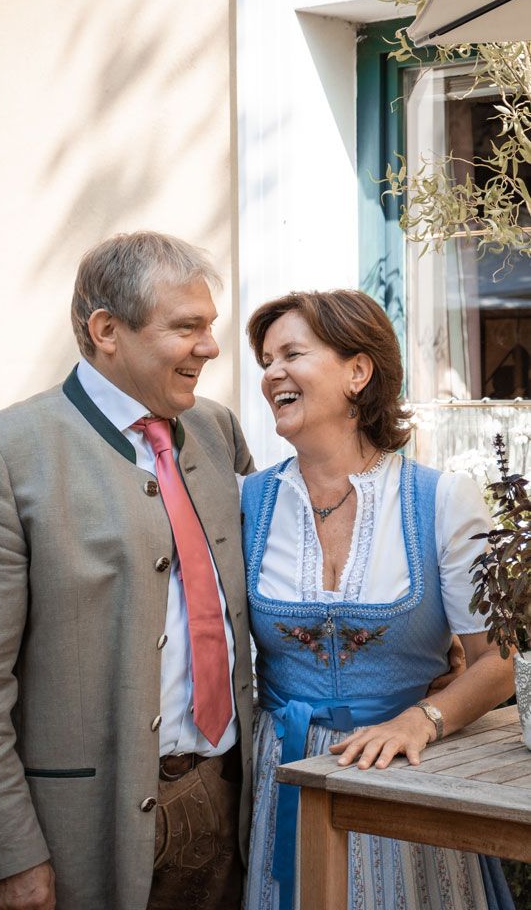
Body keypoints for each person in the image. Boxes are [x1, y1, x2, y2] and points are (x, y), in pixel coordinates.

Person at [0, 231, 255, 910]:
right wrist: (7, 856)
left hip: (230, 808)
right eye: (186, 327)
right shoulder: (0, 455)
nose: (210, 348)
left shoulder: (216, 431)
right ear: (106, 330)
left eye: (209, 326)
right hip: (82, 832)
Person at [240, 289, 515, 910]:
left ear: (358, 372)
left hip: (409, 776)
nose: (271, 374)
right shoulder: (245, 503)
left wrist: (421, 719)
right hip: (287, 774)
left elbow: (497, 662)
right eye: (264, 361)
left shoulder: (441, 500)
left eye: (291, 354)